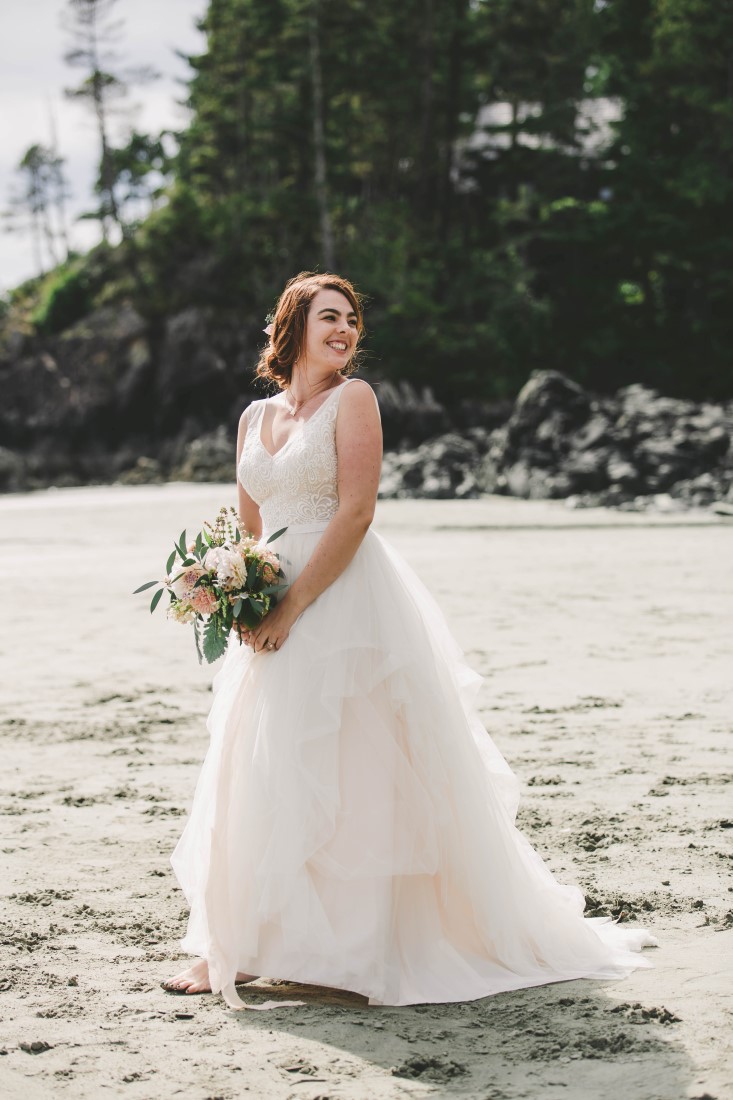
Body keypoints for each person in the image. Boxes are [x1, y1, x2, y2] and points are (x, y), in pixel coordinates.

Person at [162, 271, 658, 1009]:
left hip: (339, 600)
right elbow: (249, 528)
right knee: (256, 764)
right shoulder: (252, 418)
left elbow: (356, 512)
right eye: (329, 317)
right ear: (291, 326)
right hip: (266, 604)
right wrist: (228, 585)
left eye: (352, 321)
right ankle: (232, 944)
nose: (345, 331)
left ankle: (355, 950)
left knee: (352, 766)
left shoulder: (352, 401)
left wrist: (292, 606)